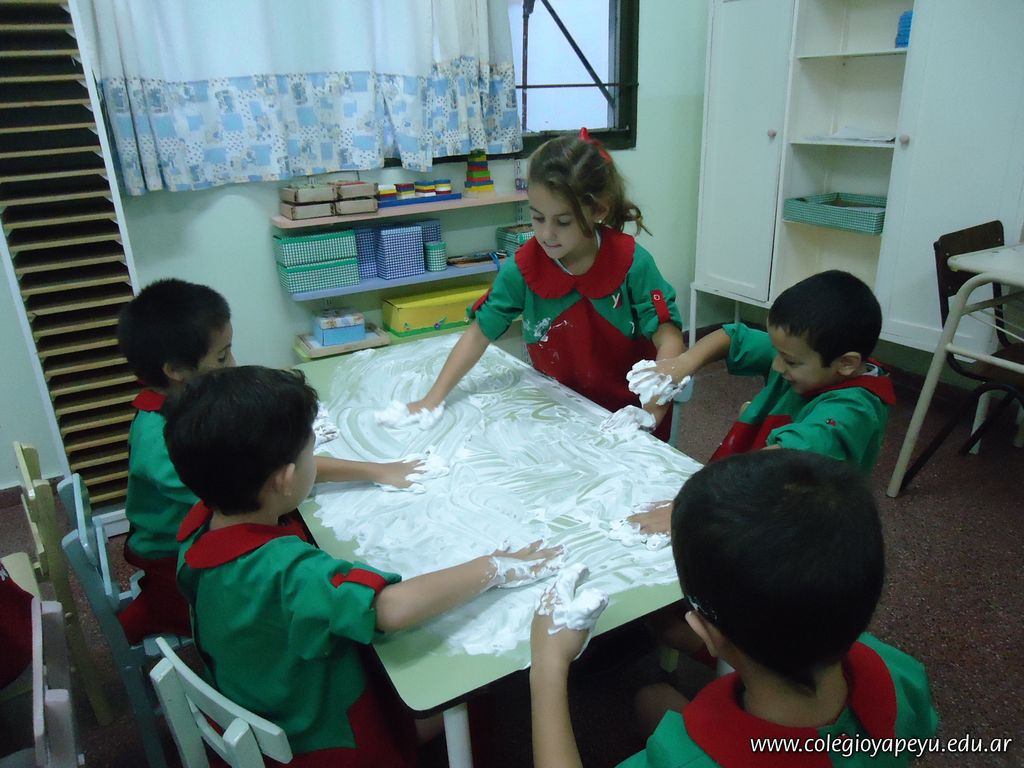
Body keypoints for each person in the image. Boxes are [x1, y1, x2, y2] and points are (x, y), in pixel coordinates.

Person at [166, 366, 561, 766]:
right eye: (310, 451)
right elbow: (390, 609)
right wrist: (493, 566)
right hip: (318, 734)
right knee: (467, 694)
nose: (315, 459)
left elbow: (296, 473)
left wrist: (379, 470)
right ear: (285, 479)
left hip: (257, 689)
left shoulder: (201, 523)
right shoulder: (286, 572)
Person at [530, 450, 939, 767]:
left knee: (649, 700)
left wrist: (548, 667)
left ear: (705, 630)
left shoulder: (686, 760)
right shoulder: (899, 671)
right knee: (653, 699)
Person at [116, 278, 424, 643]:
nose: (233, 364)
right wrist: (374, 470)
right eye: (221, 357)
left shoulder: (186, 412)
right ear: (176, 370)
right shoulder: (167, 439)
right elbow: (381, 609)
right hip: (171, 566)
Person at [408, 129, 686, 440]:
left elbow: (670, 340)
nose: (546, 234)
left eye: (563, 221)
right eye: (538, 218)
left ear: (598, 210)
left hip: (629, 412)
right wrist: (432, 400)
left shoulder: (631, 263)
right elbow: (478, 334)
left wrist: (650, 412)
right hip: (561, 410)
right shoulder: (524, 268)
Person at [629, 270, 895, 535]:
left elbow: (780, 460)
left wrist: (690, 508)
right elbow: (733, 337)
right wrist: (684, 363)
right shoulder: (805, 354)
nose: (777, 365)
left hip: (801, 523)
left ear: (846, 363)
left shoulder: (854, 410)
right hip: (749, 490)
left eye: (789, 361)